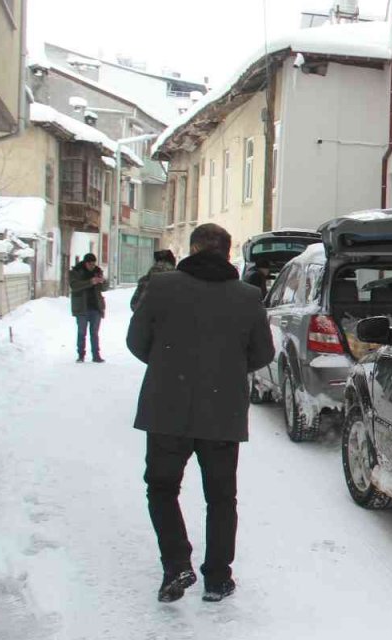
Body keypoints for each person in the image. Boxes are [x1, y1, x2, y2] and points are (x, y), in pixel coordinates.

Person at [127, 223, 274, 603]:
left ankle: (176, 565)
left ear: (192, 250)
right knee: (222, 497)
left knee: (161, 489)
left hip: (166, 409)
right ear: (228, 254)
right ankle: (217, 578)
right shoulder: (248, 297)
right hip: (222, 413)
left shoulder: (161, 288)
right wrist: (224, 371)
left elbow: (136, 341)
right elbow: (263, 354)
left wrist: (166, 365)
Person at [69, 253, 108, 363]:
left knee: (94, 333)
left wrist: (103, 282)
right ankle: (81, 354)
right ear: (85, 263)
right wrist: (90, 282)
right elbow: (74, 286)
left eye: (94, 264)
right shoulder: (76, 272)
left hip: (96, 307)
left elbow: (104, 288)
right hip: (82, 307)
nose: (92, 266)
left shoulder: (97, 271)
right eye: (90, 264)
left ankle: (96, 355)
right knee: (82, 332)